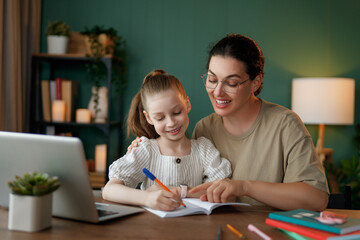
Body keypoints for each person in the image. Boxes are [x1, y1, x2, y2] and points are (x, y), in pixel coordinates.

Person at [188, 34, 329, 211]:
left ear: (256, 83)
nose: (217, 92)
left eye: (231, 83)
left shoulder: (285, 124)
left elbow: (316, 199)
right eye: (212, 80)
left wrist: (245, 187)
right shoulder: (204, 129)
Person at [102, 69, 232, 211]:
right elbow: (109, 190)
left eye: (177, 112)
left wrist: (181, 191)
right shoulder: (146, 150)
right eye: (160, 118)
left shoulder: (204, 149)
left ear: (187, 104)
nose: (171, 123)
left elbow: (222, 190)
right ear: (149, 118)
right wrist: (146, 198)